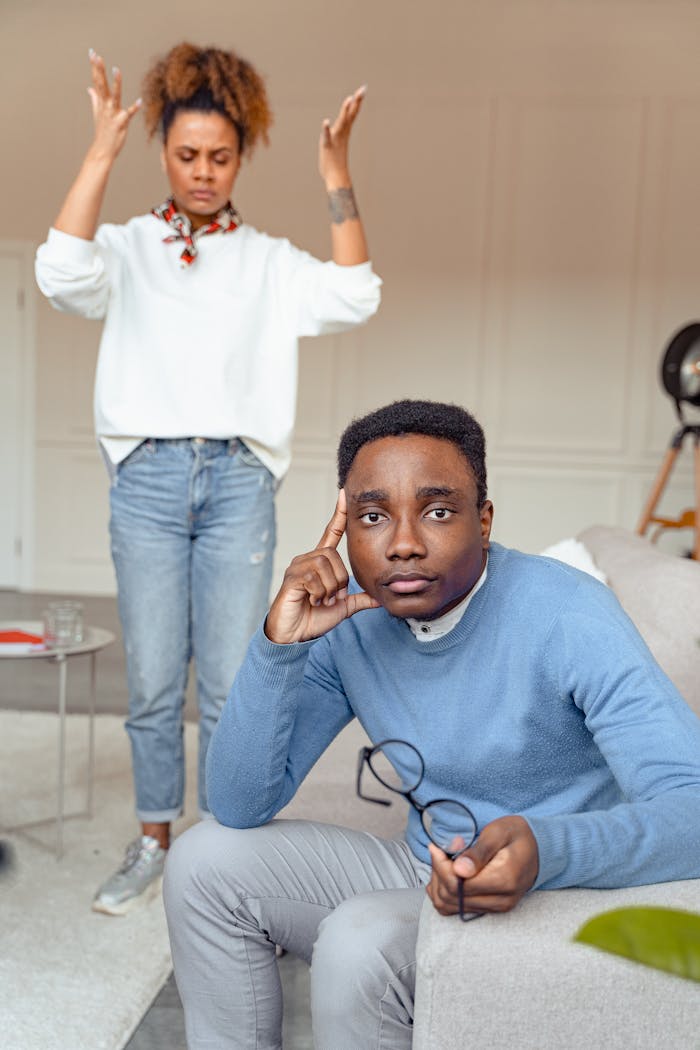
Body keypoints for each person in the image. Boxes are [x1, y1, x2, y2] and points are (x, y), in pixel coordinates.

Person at [163, 398, 700, 1050]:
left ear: (484, 519)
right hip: (423, 866)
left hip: (557, 887)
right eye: (373, 516)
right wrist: (279, 647)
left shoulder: (569, 615)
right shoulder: (350, 619)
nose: (404, 543)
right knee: (202, 860)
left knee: (358, 941)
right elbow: (240, 804)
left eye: (438, 511)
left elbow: (693, 810)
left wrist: (549, 849)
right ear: (345, 529)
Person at [34, 43, 381, 915]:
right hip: (147, 480)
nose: (202, 171)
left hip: (237, 485)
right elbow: (59, 274)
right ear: (162, 150)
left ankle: (226, 849)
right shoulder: (127, 248)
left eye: (219, 156)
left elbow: (356, 292)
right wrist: (100, 151)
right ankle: (154, 839)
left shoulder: (266, 261)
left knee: (232, 683)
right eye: (186, 154)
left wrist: (336, 176)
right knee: (154, 682)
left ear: (242, 156)